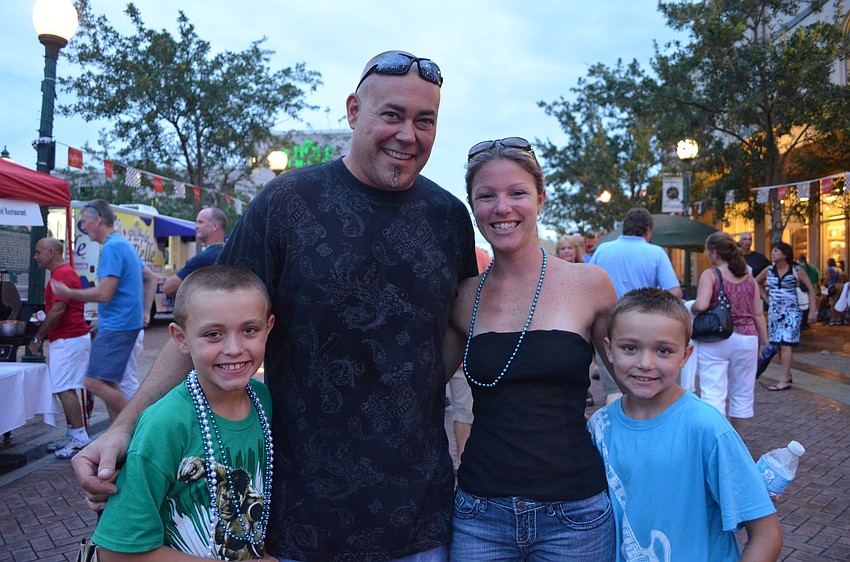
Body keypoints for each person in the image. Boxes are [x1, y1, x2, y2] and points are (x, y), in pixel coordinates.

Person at [73, 51, 478, 562]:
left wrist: (406, 389)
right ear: (354, 111)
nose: (408, 134)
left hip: (417, 515)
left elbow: (463, 324)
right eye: (392, 115)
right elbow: (202, 324)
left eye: (425, 121)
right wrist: (125, 425)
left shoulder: (448, 217)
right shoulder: (287, 204)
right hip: (297, 513)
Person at [444, 137, 618, 560]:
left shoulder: (589, 284)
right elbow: (418, 385)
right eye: (486, 196)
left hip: (575, 515)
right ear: (473, 206)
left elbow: (639, 383)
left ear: (540, 198)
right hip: (479, 514)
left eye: (517, 193)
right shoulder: (462, 296)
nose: (502, 208)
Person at [91, 266, 275, 560]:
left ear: (269, 327)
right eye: (213, 334)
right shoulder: (166, 424)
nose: (234, 348)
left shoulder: (263, 401)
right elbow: (116, 553)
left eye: (249, 330)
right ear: (180, 338)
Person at [588, 288, 782, 561]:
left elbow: (765, 533)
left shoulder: (708, 428)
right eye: (630, 348)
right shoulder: (600, 427)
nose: (646, 363)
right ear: (608, 349)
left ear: (686, 355)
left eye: (663, 350)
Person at [51, 199, 157, 421]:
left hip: (118, 328)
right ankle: (118, 437)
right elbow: (149, 277)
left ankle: (138, 424)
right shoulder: (122, 244)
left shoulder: (113, 247)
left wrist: (68, 293)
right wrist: (144, 311)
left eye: (85, 221)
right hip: (121, 325)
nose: (83, 226)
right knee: (109, 384)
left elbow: (103, 293)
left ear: (98, 220)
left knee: (93, 382)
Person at [589, 207, 682, 404]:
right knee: (646, 385)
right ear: (648, 230)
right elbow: (674, 292)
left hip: (608, 327)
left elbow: (588, 287)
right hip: (647, 331)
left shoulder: (603, 249)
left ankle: (616, 433)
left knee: (614, 388)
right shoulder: (655, 252)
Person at [690, 232, 768, 435]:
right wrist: (764, 342)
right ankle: (737, 440)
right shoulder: (749, 279)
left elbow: (701, 305)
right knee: (742, 392)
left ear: (715, 253)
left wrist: (690, 307)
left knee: (713, 392)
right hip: (747, 339)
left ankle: (718, 439)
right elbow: (758, 313)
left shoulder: (711, 275)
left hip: (716, 337)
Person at [29, 237, 92, 459]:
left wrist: (37, 337)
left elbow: (58, 310)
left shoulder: (62, 274)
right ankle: (74, 433)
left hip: (69, 339)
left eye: (39, 252)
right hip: (69, 338)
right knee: (66, 387)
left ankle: (80, 438)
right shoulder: (62, 273)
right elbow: (57, 309)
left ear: (53, 252)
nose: (36, 257)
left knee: (65, 388)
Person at [446, 246, 492, 468]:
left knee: (467, 412)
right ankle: (462, 461)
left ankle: (465, 460)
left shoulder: (479, 255)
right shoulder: (472, 254)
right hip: (463, 353)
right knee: (465, 411)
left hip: (475, 351)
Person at [754, 242, 817, 391]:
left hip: (792, 312)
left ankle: (783, 380)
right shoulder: (769, 269)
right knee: (778, 345)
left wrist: (813, 310)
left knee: (786, 344)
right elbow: (755, 281)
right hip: (775, 312)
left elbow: (811, 288)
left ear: (785, 254)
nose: (773, 253)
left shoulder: (796, 269)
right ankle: (787, 376)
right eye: (772, 251)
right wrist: (765, 296)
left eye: (776, 251)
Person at [556, 233, 596, 406]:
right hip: (559, 318)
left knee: (582, 356)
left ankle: (585, 389)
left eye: (569, 248)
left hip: (581, 318)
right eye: (563, 248)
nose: (566, 251)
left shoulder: (585, 270)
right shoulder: (552, 271)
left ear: (575, 250)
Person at [163, 207, 228, 298]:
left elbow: (168, 288)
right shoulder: (230, 253)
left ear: (215, 226)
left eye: (200, 222)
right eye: (196, 222)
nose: (196, 226)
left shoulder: (203, 259)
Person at [796, 255, 818, 329]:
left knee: (803, 305)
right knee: (808, 305)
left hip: (802, 288)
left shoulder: (798, 268)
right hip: (813, 287)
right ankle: (806, 323)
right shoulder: (812, 267)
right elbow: (817, 278)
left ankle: (802, 323)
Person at [822, 258, 846, 325]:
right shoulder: (839, 269)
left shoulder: (829, 269)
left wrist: (823, 284)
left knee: (832, 303)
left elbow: (828, 277)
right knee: (839, 302)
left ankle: (832, 319)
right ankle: (839, 319)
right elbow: (844, 277)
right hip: (841, 286)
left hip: (834, 286)